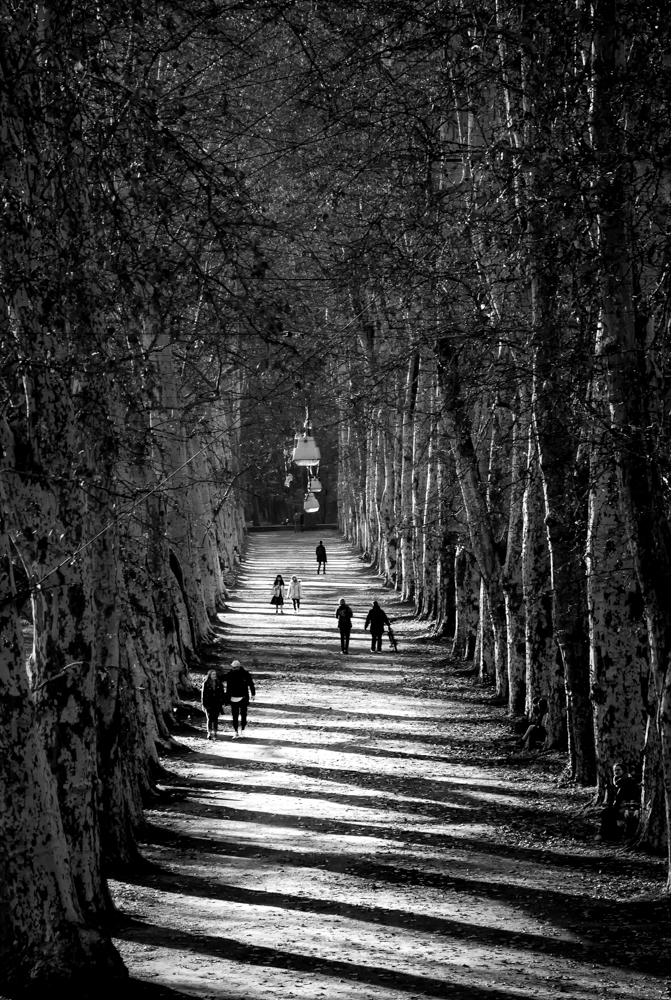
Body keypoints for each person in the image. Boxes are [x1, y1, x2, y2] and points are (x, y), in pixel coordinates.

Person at [599, 762, 641, 841]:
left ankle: (608, 835)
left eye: (618, 770)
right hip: (619, 805)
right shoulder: (617, 782)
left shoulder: (628, 780)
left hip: (629, 805)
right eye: (615, 770)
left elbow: (634, 794)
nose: (616, 772)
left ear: (623, 770)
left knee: (608, 813)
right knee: (606, 813)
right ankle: (610, 835)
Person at [224, 659, 256, 739]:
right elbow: (221, 678)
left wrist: (253, 693)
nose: (234, 669)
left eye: (236, 667)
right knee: (235, 716)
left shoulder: (245, 674)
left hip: (243, 697)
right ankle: (235, 731)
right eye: (233, 667)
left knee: (243, 714)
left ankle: (243, 729)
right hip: (233, 698)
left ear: (239, 667)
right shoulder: (230, 674)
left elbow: (251, 684)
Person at [201, 669, 225, 741]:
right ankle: (209, 733)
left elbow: (222, 693)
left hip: (217, 703)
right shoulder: (206, 683)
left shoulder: (219, 683)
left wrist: (223, 702)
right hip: (208, 703)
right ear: (209, 675)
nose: (215, 675)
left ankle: (215, 733)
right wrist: (203, 704)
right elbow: (203, 695)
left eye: (215, 674)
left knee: (215, 719)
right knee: (209, 718)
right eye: (213, 674)